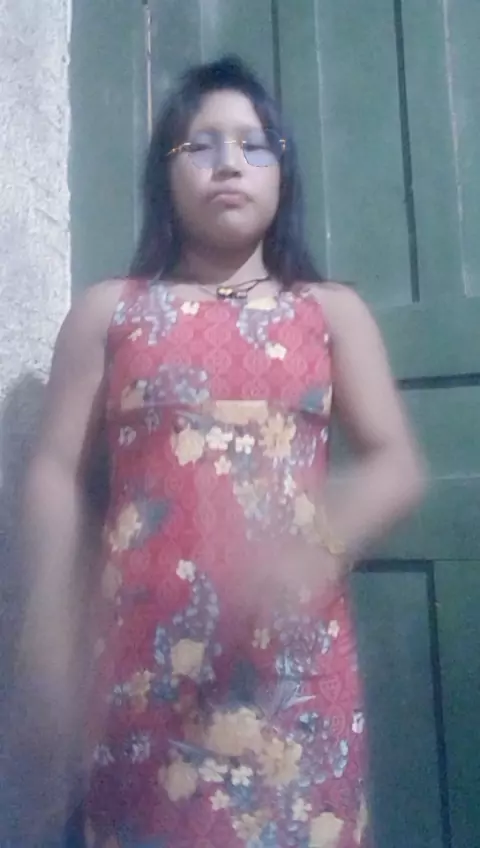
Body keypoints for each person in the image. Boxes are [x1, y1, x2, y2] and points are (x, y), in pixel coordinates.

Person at [20, 56, 425, 847]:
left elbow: (395, 462)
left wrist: (314, 544)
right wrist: (47, 624)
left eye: (253, 144)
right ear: (164, 175)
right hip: (143, 671)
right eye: (200, 145)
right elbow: (54, 472)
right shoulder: (110, 312)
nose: (229, 163)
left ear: (283, 173)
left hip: (293, 677)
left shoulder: (329, 313)